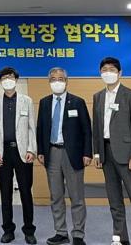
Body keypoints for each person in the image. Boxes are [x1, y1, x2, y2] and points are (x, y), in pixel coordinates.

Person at [92, 57, 131, 245]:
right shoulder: (98, 97)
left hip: (127, 155)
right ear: (100, 73)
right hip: (106, 154)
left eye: (112, 69)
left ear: (120, 73)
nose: (108, 73)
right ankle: (121, 239)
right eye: (104, 70)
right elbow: (96, 128)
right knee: (115, 202)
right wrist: (97, 153)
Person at [36, 68, 92, 245]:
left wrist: (87, 153)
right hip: (52, 152)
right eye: (53, 79)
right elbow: (40, 129)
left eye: (60, 79)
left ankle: (78, 234)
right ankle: (61, 232)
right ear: (49, 82)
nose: (57, 82)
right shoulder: (44, 102)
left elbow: (87, 129)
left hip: (73, 153)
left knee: (77, 197)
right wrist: (41, 151)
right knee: (56, 196)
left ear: (66, 81)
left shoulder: (77, 102)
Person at [0, 67, 37, 245]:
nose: (7, 80)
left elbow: (31, 128)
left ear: (16, 80)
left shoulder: (27, 101)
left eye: (10, 77)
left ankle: (29, 230)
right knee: (5, 193)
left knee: (25, 192)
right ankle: (8, 230)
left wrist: (31, 150)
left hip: (23, 152)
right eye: (4, 77)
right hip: (3, 152)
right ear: (0, 81)